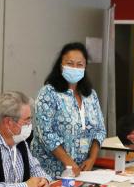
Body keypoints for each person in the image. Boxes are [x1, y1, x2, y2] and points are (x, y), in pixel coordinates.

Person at [31, 42, 106, 178]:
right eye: (70, 63)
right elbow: (46, 133)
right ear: (61, 66)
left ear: (85, 67)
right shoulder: (48, 93)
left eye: (79, 64)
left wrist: (92, 159)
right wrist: (68, 162)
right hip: (50, 171)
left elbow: (100, 130)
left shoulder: (91, 95)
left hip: (82, 172)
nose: (75, 68)